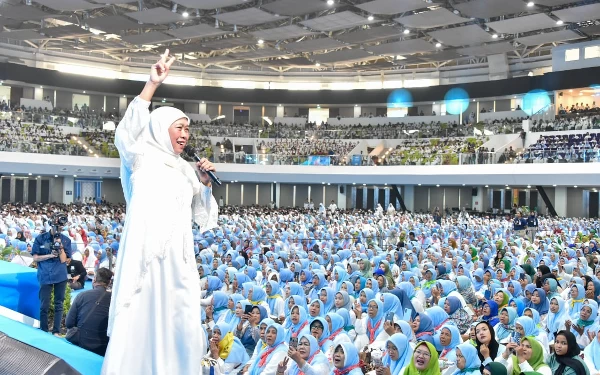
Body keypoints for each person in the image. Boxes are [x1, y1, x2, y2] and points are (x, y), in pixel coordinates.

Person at [101, 50, 218, 375]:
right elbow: (125, 133)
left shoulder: (185, 170)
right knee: (142, 316)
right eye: (178, 127)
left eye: (188, 129)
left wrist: (205, 183)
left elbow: (203, 217)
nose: (184, 134)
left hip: (178, 263)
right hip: (146, 258)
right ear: (160, 127)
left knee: (177, 321)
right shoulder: (141, 157)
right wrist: (151, 84)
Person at [32, 215, 72, 335]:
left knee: (58, 304)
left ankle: (56, 331)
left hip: (60, 275)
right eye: (56, 227)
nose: (58, 230)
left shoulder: (66, 240)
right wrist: (49, 255)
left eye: (60, 228)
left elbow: (64, 260)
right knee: (44, 304)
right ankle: (43, 329)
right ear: (51, 226)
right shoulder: (40, 238)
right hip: (45, 274)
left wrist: (60, 248)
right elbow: (35, 258)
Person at [65, 268, 113, 356]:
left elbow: (68, 323)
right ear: (109, 282)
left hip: (81, 344)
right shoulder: (114, 301)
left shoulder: (82, 295)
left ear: (94, 279)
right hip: (104, 349)